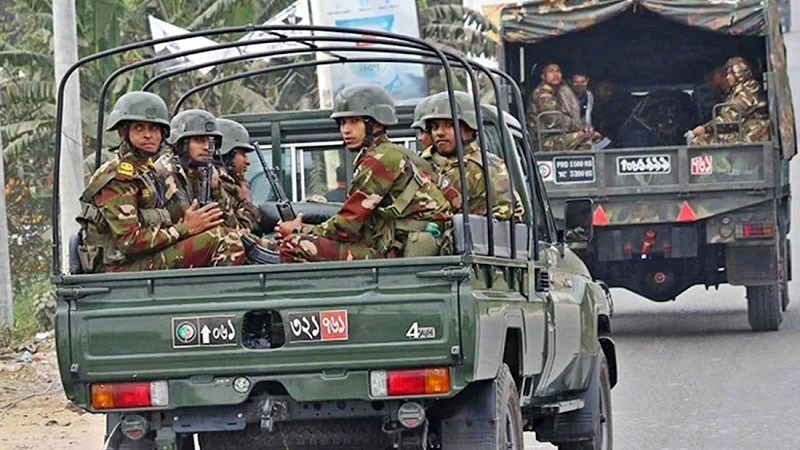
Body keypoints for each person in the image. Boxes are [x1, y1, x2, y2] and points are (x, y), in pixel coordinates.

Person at [245, 84, 452, 263]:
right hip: (394, 244)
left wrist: (299, 231)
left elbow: (347, 226)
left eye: (354, 122)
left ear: (376, 123)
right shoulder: (386, 154)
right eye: (342, 123)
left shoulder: (380, 160)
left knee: (293, 244)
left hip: (395, 252)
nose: (346, 130)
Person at [76, 92, 245, 272]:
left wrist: (188, 224)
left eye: (154, 129)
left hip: (142, 258)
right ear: (123, 131)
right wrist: (185, 228)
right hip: (118, 268)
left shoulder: (146, 171)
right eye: (139, 128)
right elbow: (129, 242)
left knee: (229, 234)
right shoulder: (119, 176)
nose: (148, 135)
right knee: (222, 239)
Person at [420, 91, 523, 221]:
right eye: (435, 127)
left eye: (449, 125)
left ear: (469, 127)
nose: (440, 132)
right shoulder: (421, 164)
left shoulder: (487, 166)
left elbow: (508, 215)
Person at [155, 109, 240, 230]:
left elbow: (231, 225)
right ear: (181, 144)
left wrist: (216, 189)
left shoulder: (202, 173)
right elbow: (190, 226)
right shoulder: (166, 173)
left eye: (211, 142)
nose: (207, 147)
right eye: (199, 140)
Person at [689, 57, 769, 146]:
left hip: (753, 135)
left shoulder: (749, 89)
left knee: (701, 142)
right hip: (743, 133)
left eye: (729, 74)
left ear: (738, 74)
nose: (727, 77)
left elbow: (731, 117)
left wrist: (706, 128)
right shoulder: (736, 91)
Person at [528, 63, 608, 151]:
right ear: (543, 76)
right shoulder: (542, 94)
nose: (555, 74)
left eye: (557, 71)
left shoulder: (560, 91)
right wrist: (579, 127)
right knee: (584, 138)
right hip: (543, 140)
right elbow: (555, 121)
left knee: (595, 136)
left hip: (557, 136)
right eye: (551, 71)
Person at [217, 117, 262, 232]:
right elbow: (242, 231)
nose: (247, 161)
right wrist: (247, 202)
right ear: (228, 154)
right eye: (242, 154)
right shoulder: (220, 184)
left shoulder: (228, 183)